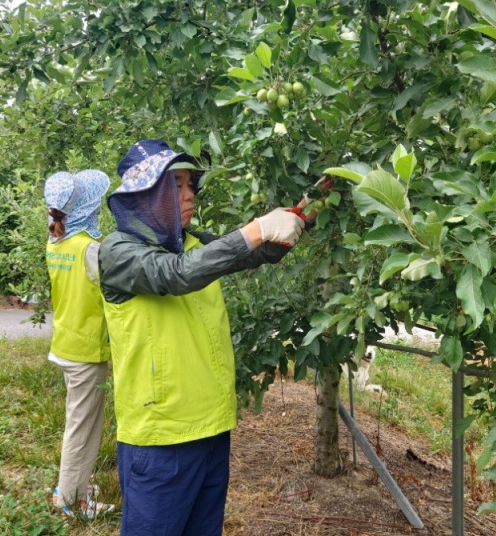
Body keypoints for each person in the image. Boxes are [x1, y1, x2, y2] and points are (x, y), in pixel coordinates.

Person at [98, 139, 305, 536]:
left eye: (190, 184)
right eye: (176, 185)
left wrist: (300, 217)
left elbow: (249, 253)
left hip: (210, 427)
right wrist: (257, 228)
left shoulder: (191, 243)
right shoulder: (119, 252)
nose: (190, 193)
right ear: (145, 195)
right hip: (161, 435)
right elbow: (177, 274)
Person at [44, 169, 115, 519]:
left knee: (80, 421)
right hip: (86, 351)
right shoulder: (90, 249)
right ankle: (71, 499)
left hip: (66, 343)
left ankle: (76, 486)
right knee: (83, 427)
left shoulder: (55, 242)